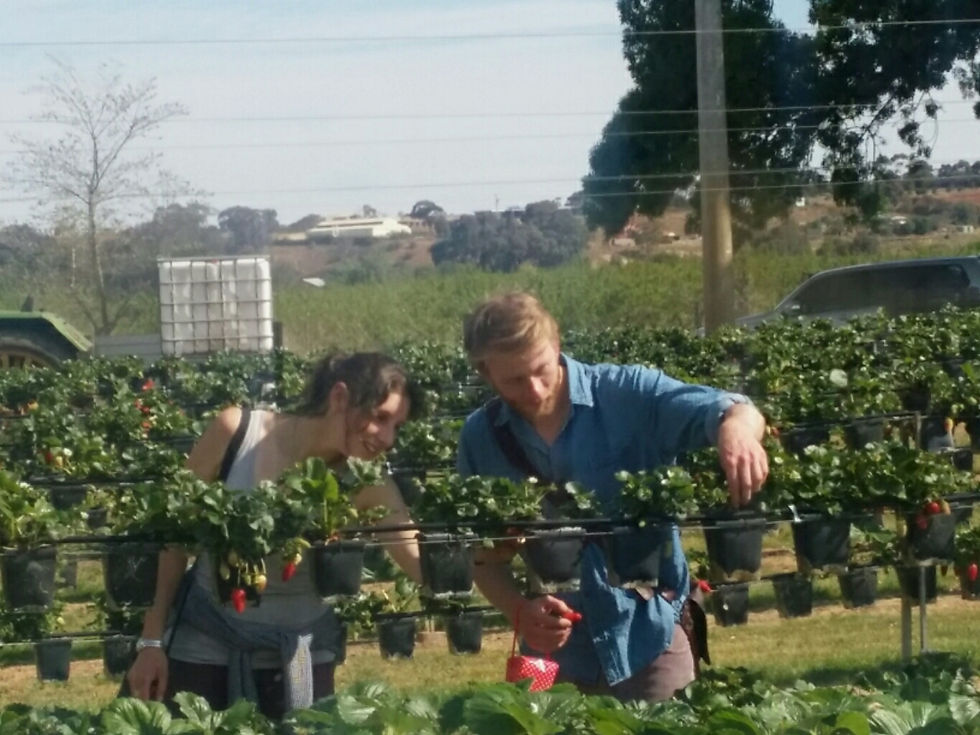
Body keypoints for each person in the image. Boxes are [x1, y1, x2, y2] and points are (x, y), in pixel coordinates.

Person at [456, 292, 768, 702]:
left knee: (669, 728)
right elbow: (482, 556)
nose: (534, 389)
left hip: (649, 638)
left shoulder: (627, 394)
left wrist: (737, 431)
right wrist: (519, 612)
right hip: (552, 654)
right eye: (514, 380)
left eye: (542, 369)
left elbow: (732, 408)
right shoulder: (481, 437)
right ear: (485, 372)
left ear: (556, 343)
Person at [126, 352, 423, 719]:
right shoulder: (237, 433)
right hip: (206, 645)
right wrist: (151, 642)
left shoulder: (365, 480)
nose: (388, 438)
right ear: (339, 397)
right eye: (380, 418)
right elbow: (171, 538)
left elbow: (418, 557)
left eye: (397, 426)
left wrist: (482, 550)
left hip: (301, 657)